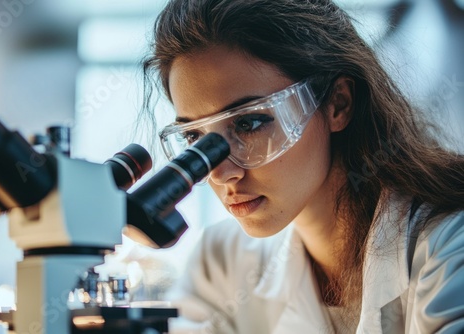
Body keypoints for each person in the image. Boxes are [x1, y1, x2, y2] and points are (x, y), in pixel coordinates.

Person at [141, 0, 464, 333]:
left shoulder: (448, 244)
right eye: (195, 137)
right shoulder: (223, 263)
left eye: (250, 123)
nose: (221, 174)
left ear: (338, 104)